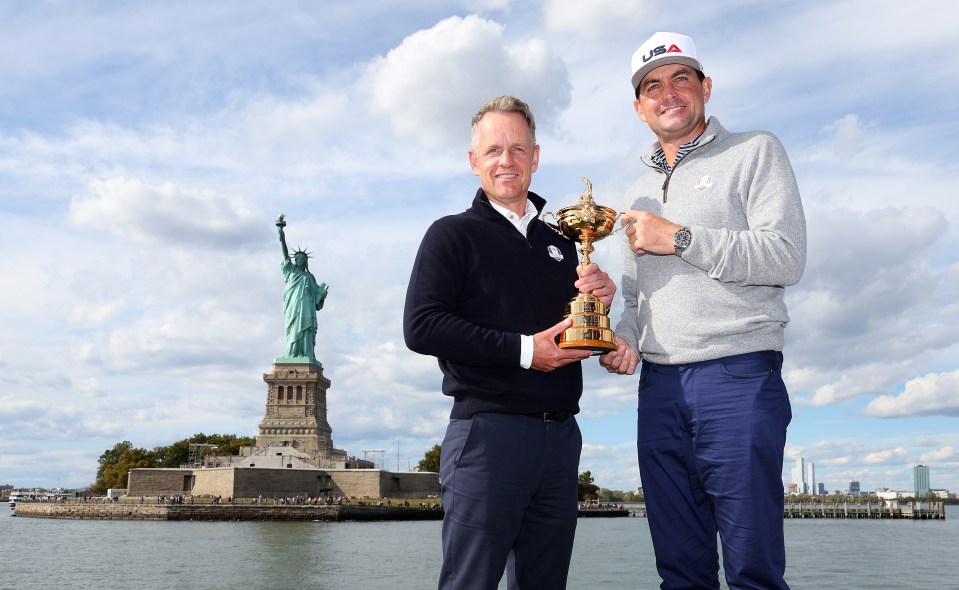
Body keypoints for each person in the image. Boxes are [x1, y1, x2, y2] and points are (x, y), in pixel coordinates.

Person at [599, 32, 807, 589]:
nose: (668, 93)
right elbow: (636, 296)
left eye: (680, 78)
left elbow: (786, 256)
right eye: (652, 86)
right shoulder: (637, 192)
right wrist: (623, 337)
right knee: (679, 571)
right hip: (659, 389)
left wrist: (680, 238)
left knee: (752, 569)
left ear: (705, 87)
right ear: (639, 108)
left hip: (737, 376)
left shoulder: (756, 150)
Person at [404, 95, 616, 590]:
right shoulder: (451, 235)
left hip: (561, 439)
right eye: (494, 149)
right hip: (487, 434)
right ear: (473, 160)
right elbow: (422, 326)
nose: (507, 160)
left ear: (535, 158)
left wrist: (603, 310)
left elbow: (572, 333)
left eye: (518, 149)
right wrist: (526, 353)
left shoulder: (564, 244)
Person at [277, 219, 329, 363]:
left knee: (306, 328)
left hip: (306, 307)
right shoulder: (290, 271)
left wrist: (322, 294)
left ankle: (306, 352)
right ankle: (292, 353)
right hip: (293, 305)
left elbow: (317, 299)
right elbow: (285, 254)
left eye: (302, 259)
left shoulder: (310, 277)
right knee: (293, 327)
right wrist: (282, 237)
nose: (300, 260)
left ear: (306, 262)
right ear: (295, 260)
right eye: (298, 258)